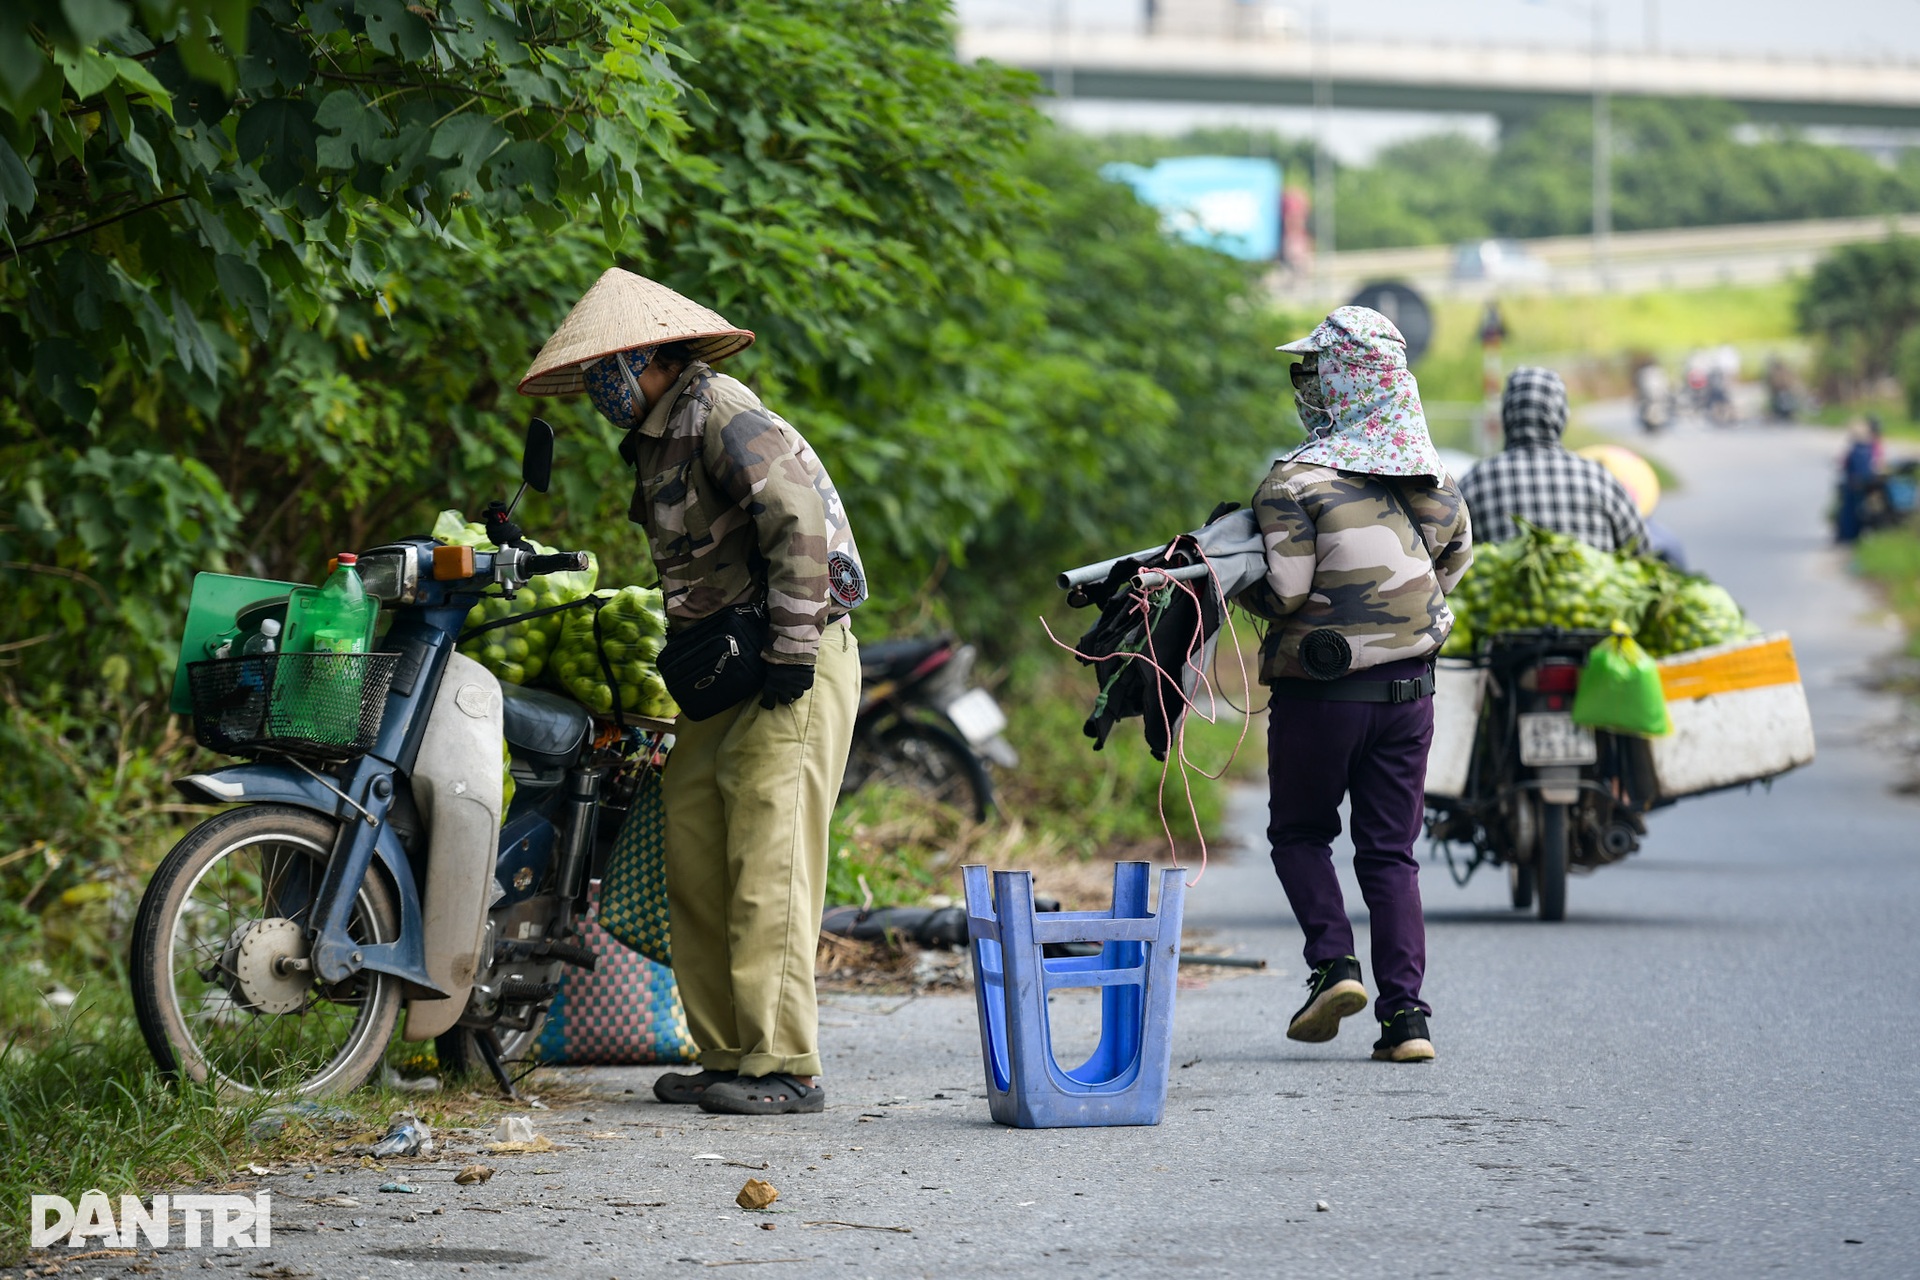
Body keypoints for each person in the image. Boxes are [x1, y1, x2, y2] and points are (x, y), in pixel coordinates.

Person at [518, 268, 866, 1116]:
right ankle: (727, 1056)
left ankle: (785, 1065)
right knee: (697, 850)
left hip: (796, 657)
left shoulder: (718, 410)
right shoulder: (656, 434)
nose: (601, 389)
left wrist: (789, 654)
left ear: (655, 358)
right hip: (725, 670)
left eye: (613, 368)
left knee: (767, 859)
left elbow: (800, 524)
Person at [1238, 306, 1474, 1064]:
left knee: (1301, 833)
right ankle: (1407, 1019)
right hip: (1413, 694)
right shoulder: (1436, 481)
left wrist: (1233, 585)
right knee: (1390, 854)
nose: (1302, 383)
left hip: (1321, 696)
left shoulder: (1294, 483)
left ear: (1337, 384)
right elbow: (1448, 570)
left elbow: (1285, 591)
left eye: (1310, 371)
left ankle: (1334, 966)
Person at [1459, 367, 1649, 554]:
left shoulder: (1476, 480)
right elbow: (1641, 551)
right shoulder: (1599, 478)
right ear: (1561, 416)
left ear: (1507, 415)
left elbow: (1449, 562)